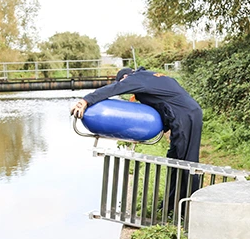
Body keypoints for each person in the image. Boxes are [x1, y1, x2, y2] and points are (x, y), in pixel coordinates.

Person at [71, 67, 203, 207]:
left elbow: (114, 89)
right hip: (187, 114)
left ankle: (194, 205)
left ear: (125, 77)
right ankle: (171, 204)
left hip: (186, 117)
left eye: (123, 82)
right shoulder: (150, 76)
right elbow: (165, 103)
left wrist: (86, 101)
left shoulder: (136, 78)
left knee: (187, 162)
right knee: (174, 160)